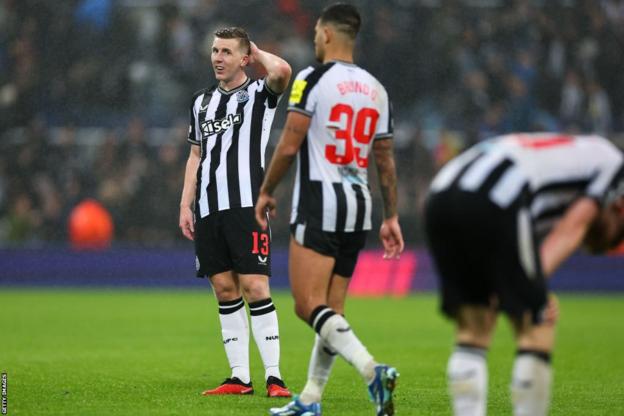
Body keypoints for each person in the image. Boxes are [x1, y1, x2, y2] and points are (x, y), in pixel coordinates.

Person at [254, 4, 404, 416]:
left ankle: (373, 371)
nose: (314, 39)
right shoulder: (377, 89)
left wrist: (267, 190)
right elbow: (385, 160)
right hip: (360, 205)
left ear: (328, 35)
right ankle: (310, 399)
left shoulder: (311, 79)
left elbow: (289, 143)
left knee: (307, 305)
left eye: (317, 33)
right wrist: (390, 216)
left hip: (320, 200)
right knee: (332, 312)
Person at [424, 132, 624, 416]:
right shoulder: (615, 164)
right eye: (611, 239)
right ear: (618, 207)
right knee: (537, 325)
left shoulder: (571, 156)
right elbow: (572, 229)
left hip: (440, 193)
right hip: (499, 195)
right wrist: (536, 290)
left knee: (473, 328)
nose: (596, 246)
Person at [178, 27, 292, 398]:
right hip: (209, 208)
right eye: (214, 50)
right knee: (224, 289)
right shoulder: (201, 103)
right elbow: (196, 155)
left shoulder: (259, 93)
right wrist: (186, 203)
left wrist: (258, 52)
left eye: (226, 52)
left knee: (255, 286)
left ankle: (275, 377)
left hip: (247, 205)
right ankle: (239, 377)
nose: (217, 58)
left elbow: (283, 72)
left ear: (244, 58)